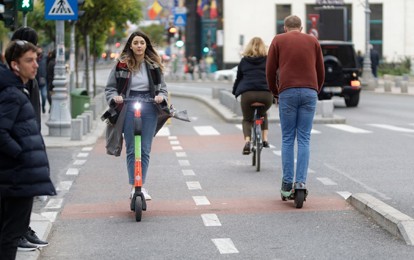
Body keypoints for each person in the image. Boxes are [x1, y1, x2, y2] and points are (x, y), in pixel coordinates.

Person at [0, 40, 56, 260]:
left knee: (8, 233)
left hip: (17, 176)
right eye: (29, 60)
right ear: (15, 65)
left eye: (36, 60)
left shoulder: (16, 90)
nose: (35, 65)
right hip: (17, 177)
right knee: (11, 234)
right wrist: (22, 155)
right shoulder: (12, 95)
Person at [105, 31, 168, 201]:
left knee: (145, 148)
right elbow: (110, 88)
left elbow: (163, 88)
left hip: (149, 106)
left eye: (142, 42)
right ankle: (134, 186)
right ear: (130, 46)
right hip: (127, 105)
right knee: (132, 148)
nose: (139, 46)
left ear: (146, 45)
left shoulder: (154, 65)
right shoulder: (121, 64)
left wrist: (161, 97)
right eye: (136, 43)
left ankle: (141, 185)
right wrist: (114, 98)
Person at [266, 15, 324, 197]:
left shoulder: (278, 40)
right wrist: (315, 90)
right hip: (309, 91)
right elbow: (320, 70)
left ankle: (287, 183)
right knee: (305, 138)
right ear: (301, 28)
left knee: (288, 138)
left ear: (285, 28)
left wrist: (275, 91)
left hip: (287, 92)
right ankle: (301, 182)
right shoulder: (313, 41)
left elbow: (269, 70)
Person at [11, 27, 51, 251]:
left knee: (28, 189)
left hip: (32, 134)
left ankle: (23, 229)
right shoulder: (18, 74)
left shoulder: (30, 70)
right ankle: (17, 234)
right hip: (23, 139)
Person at [232, 37, 274, 155]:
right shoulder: (268, 60)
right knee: (263, 114)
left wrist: (235, 92)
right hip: (265, 94)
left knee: (247, 119)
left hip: (248, 94)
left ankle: (247, 142)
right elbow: (274, 76)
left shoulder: (244, 61)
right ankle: (265, 140)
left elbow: (238, 79)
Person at [36, 47, 48, 114]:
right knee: (36, 98)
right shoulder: (34, 58)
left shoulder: (45, 58)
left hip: (43, 80)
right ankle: (38, 109)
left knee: (44, 96)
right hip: (36, 81)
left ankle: (43, 106)